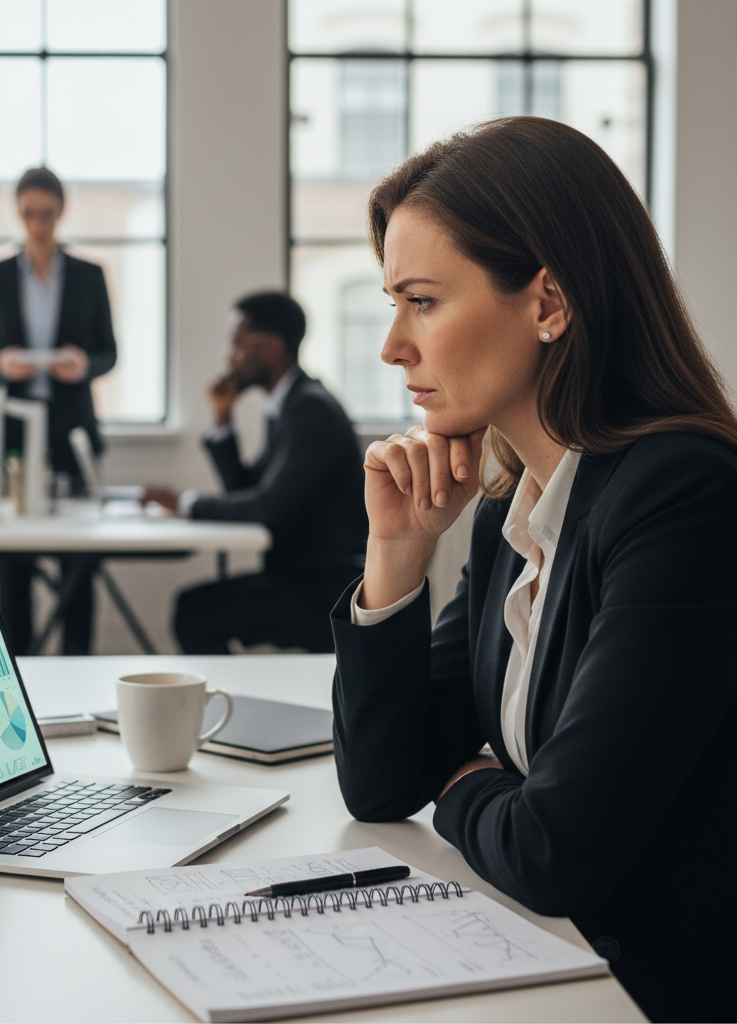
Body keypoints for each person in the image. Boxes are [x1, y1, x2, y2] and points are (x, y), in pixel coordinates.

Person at [330, 116, 736, 1023]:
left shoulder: (683, 497)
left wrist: (466, 779)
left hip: (643, 994)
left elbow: (557, 851)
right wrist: (398, 555)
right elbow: (382, 781)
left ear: (549, 304)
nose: (395, 345)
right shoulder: (515, 515)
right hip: (541, 961)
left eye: (423, 301)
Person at [144, 291, 368, 654]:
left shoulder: (311, 411)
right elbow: (246, 490)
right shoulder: (290, 404)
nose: (228, 357)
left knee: (195, 611)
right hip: (302, 578)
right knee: (196, 608)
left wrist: (186, 503)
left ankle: (223, 705)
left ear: (272, 347)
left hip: (325, 588)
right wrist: (222, 419)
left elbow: (267, 507)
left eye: (237, 344)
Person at [0, 166, 117, 655]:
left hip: (71, 427)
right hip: (13, 428)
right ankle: (21, 663)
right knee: (14, 564)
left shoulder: (88, 275)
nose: (38, 224)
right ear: (18, 213)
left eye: (47, 214)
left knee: (79, 561)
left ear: (61, 212)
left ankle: (76, 662)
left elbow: (109, 352)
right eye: (29, 214)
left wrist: (83, 364)